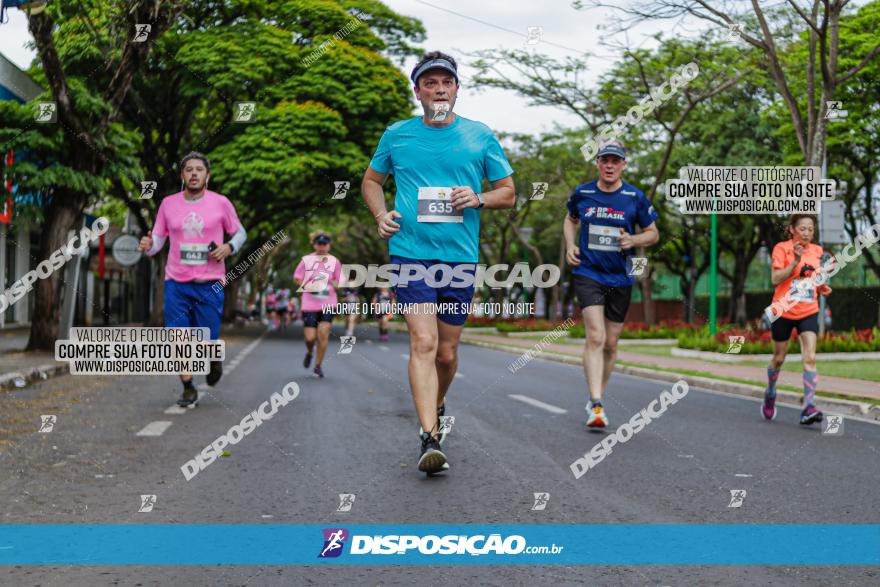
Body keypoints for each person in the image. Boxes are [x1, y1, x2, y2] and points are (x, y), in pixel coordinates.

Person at [361, 50, 516, 474]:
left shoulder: (480, 136)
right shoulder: (397, 134)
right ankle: (429, 435)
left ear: (457, 89)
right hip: (410, 253)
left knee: (446, 354)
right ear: (418, 92)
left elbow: (509, 191)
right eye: (429, 83)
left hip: (459, 257)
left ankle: (438, 400)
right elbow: (371, 181)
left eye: (445, 82)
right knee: (424, 343)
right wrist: (381, 215)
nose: (439, 88)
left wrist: (479, 197)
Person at [138, 151, 247, 406]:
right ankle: (188, 386)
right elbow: (158, 242)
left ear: (207, 175)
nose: (194, 173)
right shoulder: (168, 204)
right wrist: (147, 244)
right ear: (182, 175)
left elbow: (240, 232)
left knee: (207, 339)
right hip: (176, 283)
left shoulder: (221, 203)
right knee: (178, 338)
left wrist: (229, 247)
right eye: (189, 169)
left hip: (211, 283)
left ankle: (213, 358)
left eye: (199, 169)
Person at [563, 140, 659, 428]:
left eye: (615, 161)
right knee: (596, 336)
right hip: (588, 272)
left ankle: (597, 397)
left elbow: (653, 233)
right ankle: (596, 403)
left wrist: (634, 239)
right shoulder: (583, 193)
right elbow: (570, 220)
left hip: (620, 276)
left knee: (611, 343)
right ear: (597, 163)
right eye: (605, 160)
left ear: (623, 165)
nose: (609, 165)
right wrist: (570, 245)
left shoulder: (634, 197)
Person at [762, 214, 830, 425]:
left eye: (810, 229)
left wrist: (822, 286)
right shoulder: (781, 249)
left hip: (808, 310)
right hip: (782, 311)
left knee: (809, 358)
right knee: (779, 358)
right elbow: (775, 279)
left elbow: (815, 278)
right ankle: (771, 392)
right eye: (803, 229)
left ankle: (808, 407)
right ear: (792, 229)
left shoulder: (817, 251)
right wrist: (796, 262)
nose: (807, 233)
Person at [293, 231, 342, 378]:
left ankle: (318, 366)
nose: (322, 247)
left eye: (324, 244)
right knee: (310, 338)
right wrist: (308, 286)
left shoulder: (335, 261)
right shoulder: (306, 260)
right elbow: (296, 277)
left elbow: (339, 281)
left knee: (323, 334)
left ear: (329, 245)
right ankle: (309, 352)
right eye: (319, 244)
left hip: (329, 302)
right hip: (309, 303)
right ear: (314, 244)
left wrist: (335, 283)